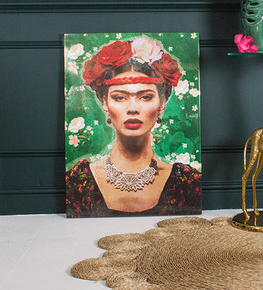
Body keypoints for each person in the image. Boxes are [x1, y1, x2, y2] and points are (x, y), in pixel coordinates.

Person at [65, 37, 201, 217]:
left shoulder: (187, 183)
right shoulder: (77, 182)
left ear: (162, 103)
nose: (132, 109)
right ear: (105, 103)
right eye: (120, 97)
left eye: (145, 97)